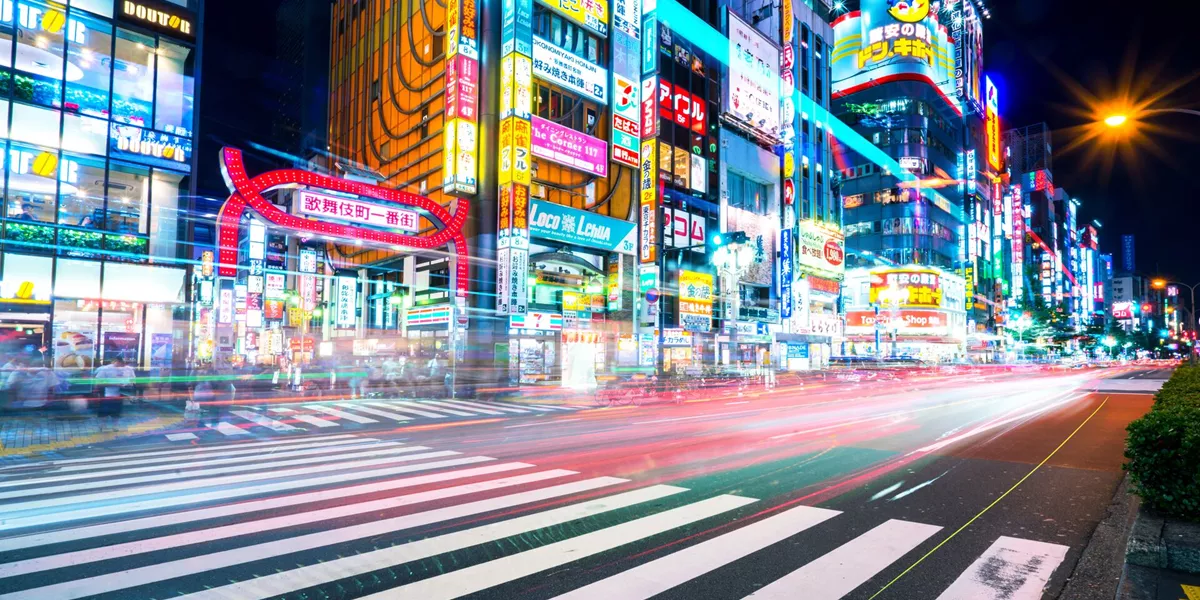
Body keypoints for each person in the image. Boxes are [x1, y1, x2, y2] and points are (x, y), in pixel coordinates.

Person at [93, 357, 133, 430]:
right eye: (122, 364)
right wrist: (114, 384)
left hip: (120, 394)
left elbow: (133, 380)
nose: (123, 366)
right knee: (104, 411)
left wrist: (128, 385)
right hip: (107, 394)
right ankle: (102, 425)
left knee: (117, 411)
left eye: (125, 364)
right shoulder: (106, 369)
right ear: (117, 362)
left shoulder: (128, 369)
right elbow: (98, 383)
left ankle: (115, 426)